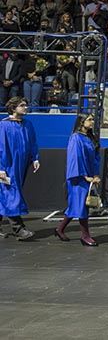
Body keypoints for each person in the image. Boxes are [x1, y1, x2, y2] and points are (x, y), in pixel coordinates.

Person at [54, 113, 100, 245]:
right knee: (81, 206)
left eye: (92, 119)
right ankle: (85, 236)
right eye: (89, 119)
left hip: (89, 176)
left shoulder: (90, 138)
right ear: (82, 122)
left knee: (77, 205)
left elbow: (96, 158)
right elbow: (75, 159)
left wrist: (95, 174)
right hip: (78, 178)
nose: (92, 122)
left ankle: (59, 228)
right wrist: (85, 177)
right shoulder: (75, 138)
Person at [0, 97, 39, 240]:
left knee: (5, 195)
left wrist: (35, 158)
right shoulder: (4, 126)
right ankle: (19, 229)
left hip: (22, 165)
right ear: (13, 108)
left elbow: (33, 143)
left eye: (26, 105)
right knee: (11, 195)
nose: (26, 108)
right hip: (8, 165)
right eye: (22, 105)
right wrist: (1, 168)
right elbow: (1, 148)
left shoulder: (27, 124)